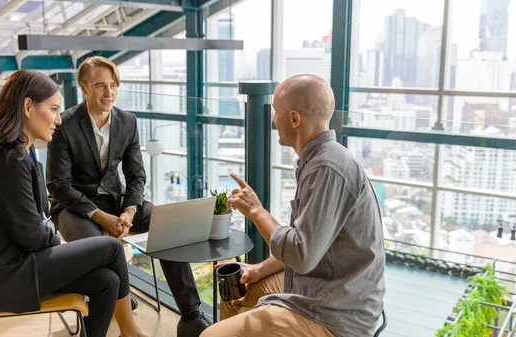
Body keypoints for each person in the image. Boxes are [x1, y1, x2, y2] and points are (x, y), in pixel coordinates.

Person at [0, 69, 149, 337]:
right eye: (54, 110)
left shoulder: (23, 152)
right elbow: (31, 234)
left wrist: (57, 242)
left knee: (107, 281)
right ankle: (130, 331)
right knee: (110, 248)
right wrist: (60, 245)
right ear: (28, 107)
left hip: (18, 264)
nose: (59, 120)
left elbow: (38, 221)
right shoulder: (8, 160)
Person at [201, 74, 386, 337]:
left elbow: (301, 254)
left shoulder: (327, 168)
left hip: (336, 312)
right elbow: (306, 242)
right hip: (320, 286)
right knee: (236, 292)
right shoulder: (315, 161)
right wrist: (258, 269)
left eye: (276, 111)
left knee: (209, 336)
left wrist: (256, 211)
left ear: (294, 119)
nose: (273, 118)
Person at [46, 56, 210, 337]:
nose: (109, 93)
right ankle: (115, 298)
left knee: (167, 224)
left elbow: (136, 176)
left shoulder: (128, 121)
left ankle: (191, 314)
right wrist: (99, 216)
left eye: (113, 86)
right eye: (100, 86)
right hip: (73, 207)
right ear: (84, 86)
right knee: (98, 246)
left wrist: (130, 211)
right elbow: (58, 184)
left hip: (117, 201)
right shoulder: (65, 124)